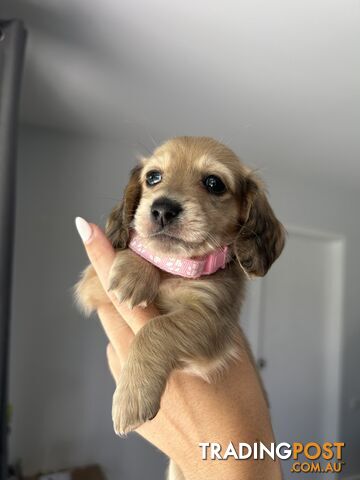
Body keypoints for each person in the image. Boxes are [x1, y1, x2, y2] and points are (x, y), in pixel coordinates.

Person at [75, 218, 283, 480]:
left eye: (213, 184)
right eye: (153, 178)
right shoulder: (135, 246)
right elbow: (93, 292)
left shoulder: (222, 274)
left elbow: (209, 336)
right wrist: (137, 261)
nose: (165, 205)